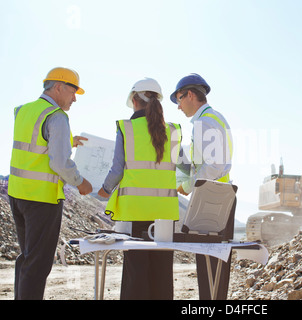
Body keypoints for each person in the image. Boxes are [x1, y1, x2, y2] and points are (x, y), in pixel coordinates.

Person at [8, 67, 93, 300]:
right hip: (41, 199)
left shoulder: (23, 110)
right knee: (37, 264)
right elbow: (60, 163)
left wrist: (68, 141)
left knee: (26, 257)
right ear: (58, 87)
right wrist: (80, 182)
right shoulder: (57, 117)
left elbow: (36, 144)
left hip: (17, 195)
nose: (74, 98)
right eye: (73, 91)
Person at [98, 78, 182, 300]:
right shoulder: (174, 131)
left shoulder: (127, 128)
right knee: (162, 274)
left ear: (134, 100)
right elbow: (184, 168)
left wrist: (105, 190)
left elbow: (117, 170)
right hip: (165, 215)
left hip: (135, 213)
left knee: (136, 273)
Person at [170, 73, 234, 300]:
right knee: (213, 264)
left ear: (189, 94)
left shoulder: (203, 122)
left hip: (212, 198)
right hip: (219, 195)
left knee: (209, 263)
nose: (178, 106)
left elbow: (214, 165)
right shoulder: (214, 118)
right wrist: (187, 183)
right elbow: (206, 163)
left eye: (178, 99)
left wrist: (193, 186)